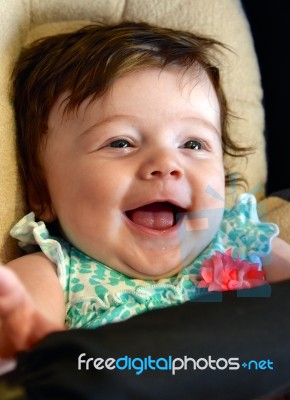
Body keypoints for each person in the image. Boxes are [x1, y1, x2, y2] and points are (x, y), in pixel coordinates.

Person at [1, 21, 290, 359]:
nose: (167, 163)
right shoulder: (53, 274)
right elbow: (21, 359)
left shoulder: (246, 245)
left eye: (193, 143)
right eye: (121, 142)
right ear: (42, 195)